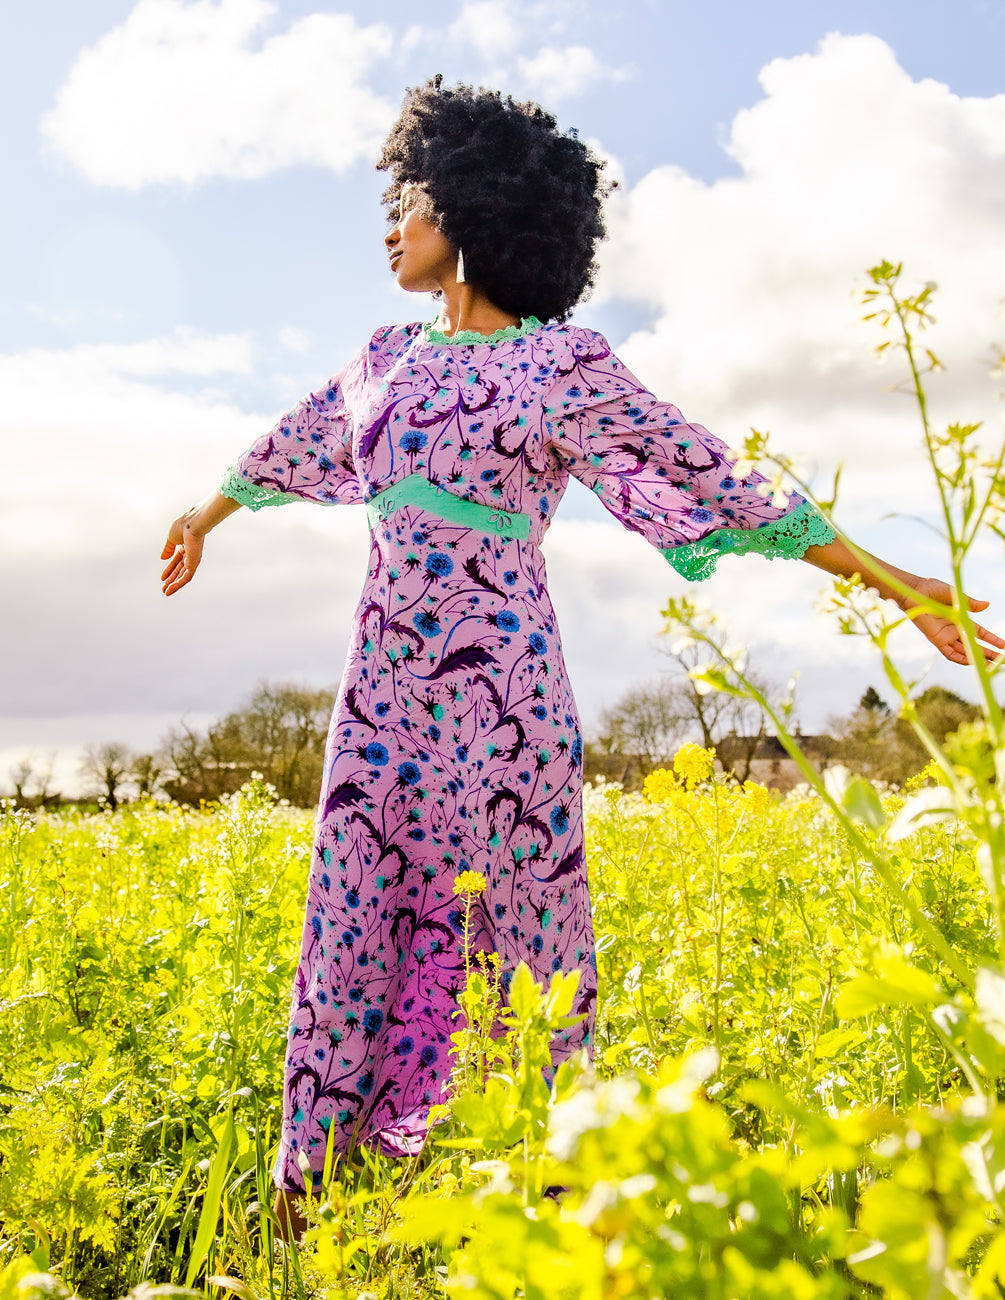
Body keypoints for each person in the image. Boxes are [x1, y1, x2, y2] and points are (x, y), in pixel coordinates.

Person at [161, 79, 1003, 1239]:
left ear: (469, 209)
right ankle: (317, 1213)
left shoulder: (563, 367)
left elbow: (715, 474)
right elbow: (290, 442)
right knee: (352, 926)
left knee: (527, 944)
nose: (390, 224)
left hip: (505, 704)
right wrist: (204, 514)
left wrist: (896, 584)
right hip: (381, 706)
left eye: (409, 200)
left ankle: (555, 1211)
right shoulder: (378, 359)